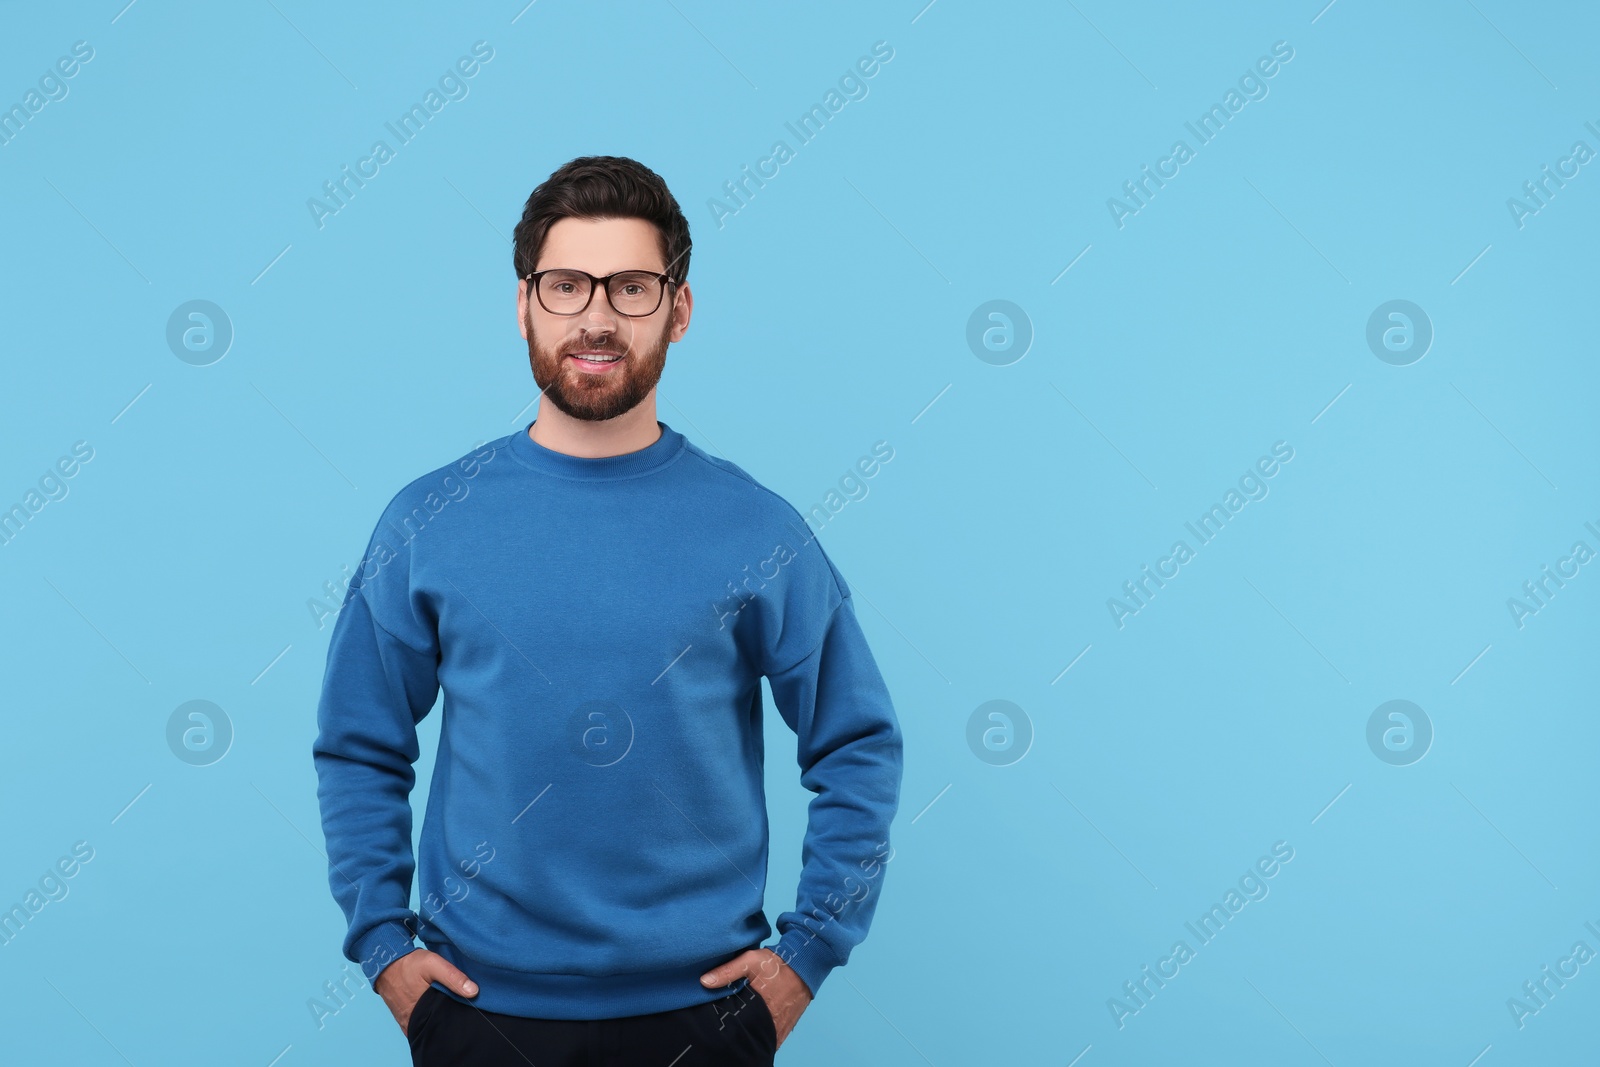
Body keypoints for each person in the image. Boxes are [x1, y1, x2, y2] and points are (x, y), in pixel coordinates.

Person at [311, 155, 904, 1065]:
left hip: (704, 1023)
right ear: (523, 306)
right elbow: (359, 742)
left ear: (679, 308)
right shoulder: (429, 521)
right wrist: (384, 947)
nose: (595, 315)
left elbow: (857, 743)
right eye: (565, 285)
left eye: (631, 286)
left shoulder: (758, 529)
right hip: (479, 1017)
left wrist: (808, 952)